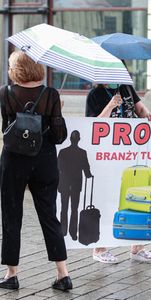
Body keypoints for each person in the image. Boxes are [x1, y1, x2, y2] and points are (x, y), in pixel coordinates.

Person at [0, 50, 72, 291]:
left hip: (13, 161)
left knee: (11, 216)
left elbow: (6, 130)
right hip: (45, 161)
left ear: (17, 69)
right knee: (49, 216)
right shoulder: (50, 94)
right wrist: (56, 110)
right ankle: (63, 275)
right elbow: (59, 137)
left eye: (10, 64)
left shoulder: (5, 93)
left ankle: (12, 275)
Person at [86, 83, 151, 263]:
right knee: (109, 196)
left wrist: (148, 115)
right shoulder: (95, 94)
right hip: (108, 153)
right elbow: (94, 124)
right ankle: (100, 248)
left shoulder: (126, 88)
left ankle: (137, 247)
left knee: (135, 194)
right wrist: (110, 105)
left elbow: (139, 108)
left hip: (131, 149)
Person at [58, 130, 93, 240]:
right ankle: (73, 233)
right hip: (76, 184)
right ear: (79, 139)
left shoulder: (63, 152)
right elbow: (86, 168)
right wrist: (89, 175)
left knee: (64, 208)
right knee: (74, 209)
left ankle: (63, 231)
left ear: (70, 139)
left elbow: (58, 168)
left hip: (64, 183)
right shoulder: (82, 152)